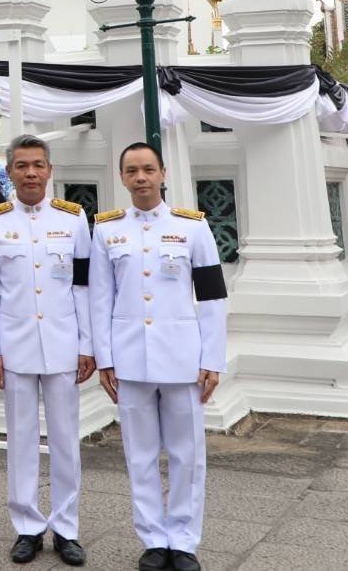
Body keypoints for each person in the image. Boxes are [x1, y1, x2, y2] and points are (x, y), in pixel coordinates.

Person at [89, 143, 227, 571]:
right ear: (122, 178)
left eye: (148, 169)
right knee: (140, 454)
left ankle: (183, 539)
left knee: (188, 453)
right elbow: (99, 298)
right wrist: (105, 359)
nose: (141, 177)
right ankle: (152, 537)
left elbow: (212, 295)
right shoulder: (107, 231)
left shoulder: (192, 228)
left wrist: (213, 358)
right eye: (132, 171)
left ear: (163, 173)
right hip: (130, 359)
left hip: (183, 357)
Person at [0, 134, 94, 566]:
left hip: (64, 345)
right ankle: (27, 526)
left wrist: (87, 345)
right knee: (21, 440)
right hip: (16, 344)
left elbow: (83, 288)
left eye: (38, 165)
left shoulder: (74, 218)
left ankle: (66, 528)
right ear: (9, 171)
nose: (30, 173)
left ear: (50, 170)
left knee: (66, 440)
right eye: (21, 165)